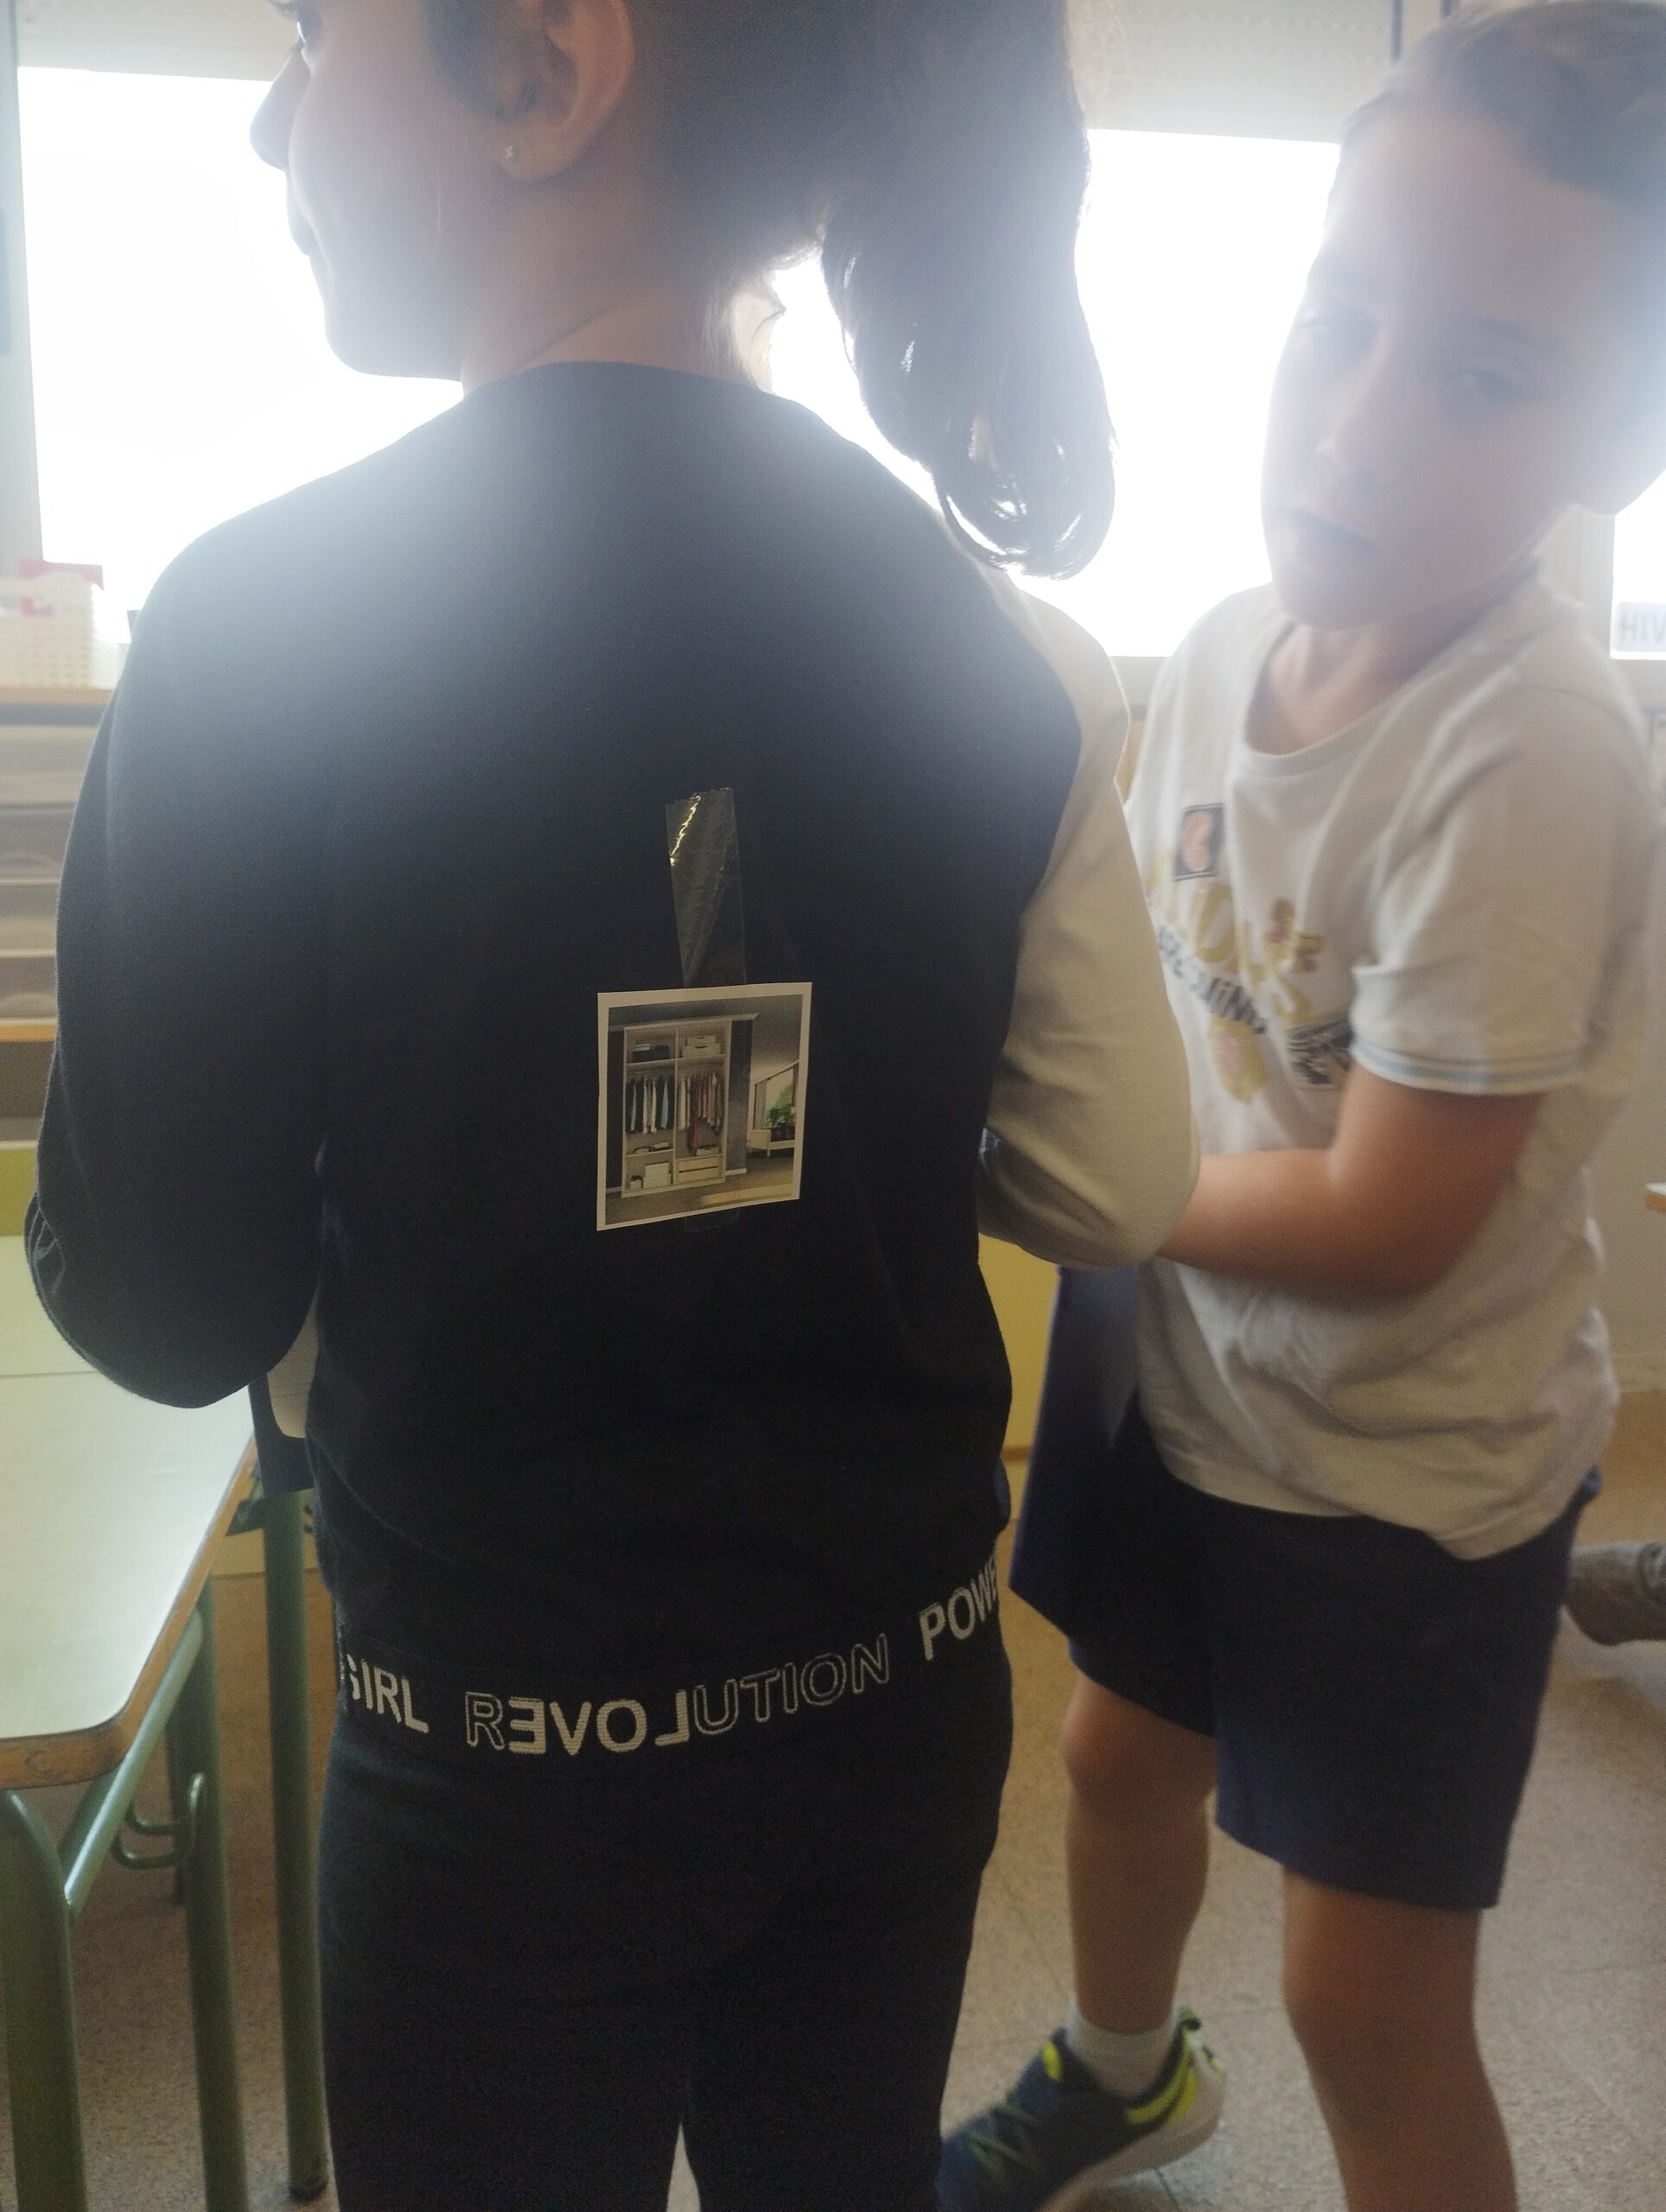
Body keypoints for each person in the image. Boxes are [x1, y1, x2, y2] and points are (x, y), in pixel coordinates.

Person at [25, 1, 1197, 2206]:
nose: (269, 121)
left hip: (502, 1774)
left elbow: (165, 1305)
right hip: (898, 1714)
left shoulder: (259, 626)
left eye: (310, 38)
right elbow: (1116, 1182)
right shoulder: (1007, 642)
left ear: (543, 71)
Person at [940, 8, 1666, 2209]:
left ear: (1615, 438)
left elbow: (1389, 1215)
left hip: (1398, 1477)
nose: (1358, 422)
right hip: (1184, 1382)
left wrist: (1090, 1186)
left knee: (1365, 1991)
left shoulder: (1523, 751)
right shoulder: (1220, 637)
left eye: (1485, 374)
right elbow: (1147, 993)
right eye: (1337, 320)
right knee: (1115, 1752)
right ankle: (1125, 2069)